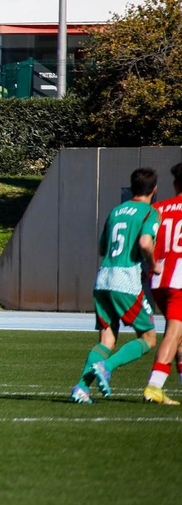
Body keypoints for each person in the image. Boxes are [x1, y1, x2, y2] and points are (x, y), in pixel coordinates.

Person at [72, 167, 160, 404]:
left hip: (102, 279)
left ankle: (81, 387)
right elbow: (144, 242)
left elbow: (102, 248)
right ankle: (107, 366)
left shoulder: (116, 211)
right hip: (126, 280)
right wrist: (153, 264)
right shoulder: (149, 212)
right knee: (149, 338)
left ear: (132, 188)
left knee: (107, 340)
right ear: (154, 190)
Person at [142, 161, 182, 405]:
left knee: (179, 335)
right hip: (180, 280)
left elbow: (147, 240)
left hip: (158, 279)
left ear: (176, 184)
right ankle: (154, 386)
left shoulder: (158, 209)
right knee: (174, 332)